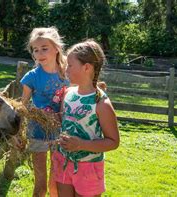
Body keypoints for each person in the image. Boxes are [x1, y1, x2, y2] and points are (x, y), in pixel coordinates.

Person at [53, 40, 120, 196]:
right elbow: (63, 121)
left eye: (70, 65)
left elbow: (113, 142)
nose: (65, 69)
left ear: (87, 67)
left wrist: (81, 144)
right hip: (64, 161)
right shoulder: (68, 93)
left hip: (88, 168)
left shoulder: (101, 103)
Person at [20, 27, 69, 197]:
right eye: (35, 50)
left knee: (56, 181)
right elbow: (22, 107)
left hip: (61, 134)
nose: (39, 53)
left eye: (44, 48)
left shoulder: (67, 74)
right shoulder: (31, 77)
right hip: (37, 133)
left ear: (56, 48)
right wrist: (19, 134)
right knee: (40, 183)